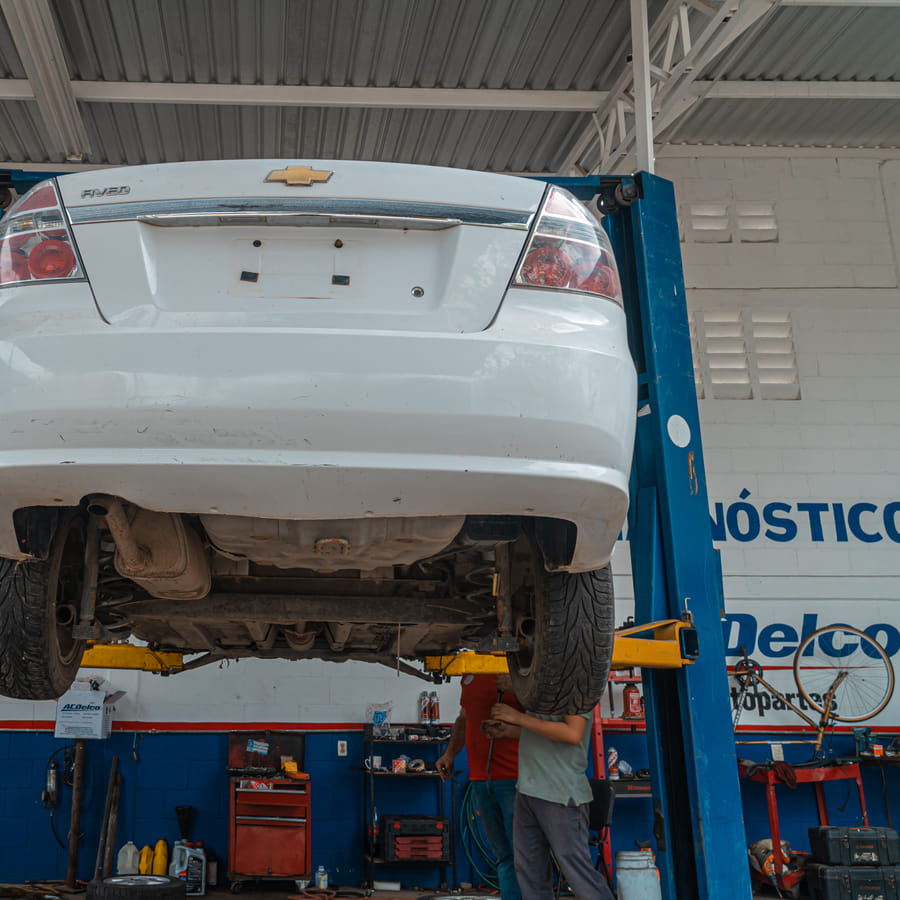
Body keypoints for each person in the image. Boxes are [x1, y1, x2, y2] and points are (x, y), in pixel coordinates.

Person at [487, 702, 614, 900]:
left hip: (560, 792)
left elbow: (572, 734)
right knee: (530, 874)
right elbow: (545, 732)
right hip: (528, 791)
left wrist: (519, 718)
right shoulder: (542, 688)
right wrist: (511, 731)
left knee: (578, 873)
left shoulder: (577, 682)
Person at [436, 674, 523, 900]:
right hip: (481, 781)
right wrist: (449, 753)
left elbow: (542, 716)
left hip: (516, 779)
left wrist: (518, 688)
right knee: (503, 854)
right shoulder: (469, 673)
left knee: (523, 854)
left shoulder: (516, 671)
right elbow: (464, 719)